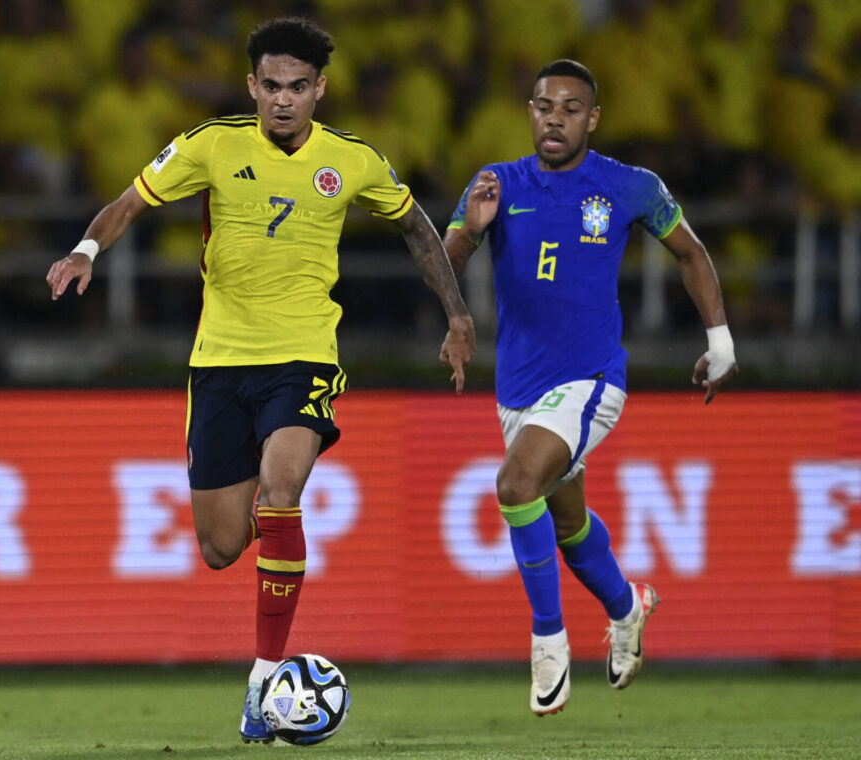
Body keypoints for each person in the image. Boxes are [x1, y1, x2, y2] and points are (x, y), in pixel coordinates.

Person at [46, 16, 475, 743]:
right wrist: (88, 248)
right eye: (271, 86)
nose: (283, 100)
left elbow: (415, 227)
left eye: (298, 88)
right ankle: (273, 577)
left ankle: (263, 680)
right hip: (218, 362)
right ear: (252, 86)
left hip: (303, 355)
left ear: (320, 90)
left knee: (282, 492)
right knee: (220, 547)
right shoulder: (213, 143)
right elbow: (129, 201)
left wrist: (457, 313)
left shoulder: (353, 161)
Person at [443, 59, 737, 717]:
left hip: (592, 378)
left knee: (516, 486)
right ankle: (627, 607)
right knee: (566, 520)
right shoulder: (497, 184)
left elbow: (690, 252)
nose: (556, 117)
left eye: (571, 108)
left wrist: (720, 342)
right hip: (518, 386)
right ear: (530, 111)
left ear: (593, 119)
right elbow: (446, 256)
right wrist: (470, 232)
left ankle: (549, 641)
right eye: (545, 105)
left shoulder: (628, 186)